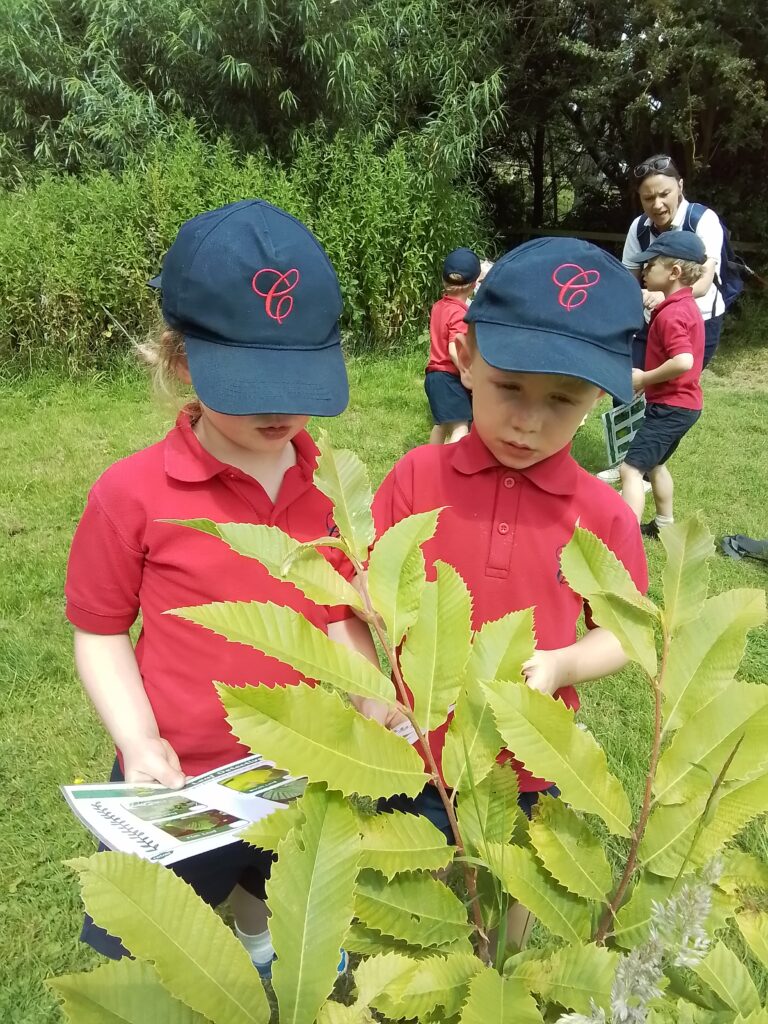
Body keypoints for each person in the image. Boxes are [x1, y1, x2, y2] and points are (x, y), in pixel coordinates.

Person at [65, 199, 396, 972]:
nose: (280, 406)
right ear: (180, 361)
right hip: (179, 772)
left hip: (299, 764)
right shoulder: (133, 494)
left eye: (298, 376)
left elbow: (340, 608)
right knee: (157, 939)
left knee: (275, 878)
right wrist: (137, 739)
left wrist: (365, 684)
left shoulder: (332, 490)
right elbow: (101, 628)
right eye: (251, 381)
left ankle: (259, 943)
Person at [374, 236, 648, 946]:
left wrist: (562, 665)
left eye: (561, 400)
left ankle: (507, 962)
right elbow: (368, 592)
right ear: (464, 359)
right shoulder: (416, 478)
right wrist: (375, 683)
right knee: (422, 877)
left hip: (529, 755)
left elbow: (624, 633)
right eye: (509, 390)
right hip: (421, 748)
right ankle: (429, 960)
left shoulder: (603, 515)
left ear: (596, 400)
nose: (529, 421)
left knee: (521, 879)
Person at [598, 153, 724, 484]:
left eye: (664, 193)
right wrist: (644, 297)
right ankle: (632, 462)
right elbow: (629, 278)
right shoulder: (638, 228)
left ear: (680, 187)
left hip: (697, 319)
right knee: (631, 384)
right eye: (648, 197)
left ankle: (642, 465)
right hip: (649, 319)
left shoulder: (703, 220)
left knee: (668, 392)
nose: (657, 204)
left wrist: (667, 299)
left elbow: (705, 279)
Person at [619, 232, 706, 538]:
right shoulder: (684, 306)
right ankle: (663, 526)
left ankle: (621, 538)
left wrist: (643, 377)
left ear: (674, 272)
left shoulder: (672, 314)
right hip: (684, 405)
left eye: (651, 263)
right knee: (654, 465)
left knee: (630, 470)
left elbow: (682, 361)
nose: (644, 269)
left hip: (672, 407)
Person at [425, 247, 480, 444]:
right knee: (461, 426)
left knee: (441, 424)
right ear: (474, 285)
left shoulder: (439, 307)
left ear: (443, 281)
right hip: (450, 377)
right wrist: (469, 375)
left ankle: (431, 461)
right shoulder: (459, 314)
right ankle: (450, 468)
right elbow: (454, 349)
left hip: (434, 376)